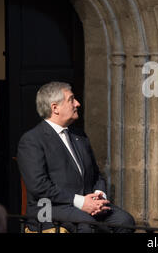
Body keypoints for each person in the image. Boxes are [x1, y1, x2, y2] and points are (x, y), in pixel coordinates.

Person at [17, 81, 135, 233]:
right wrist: (80, 202)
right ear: (55, 108)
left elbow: (96, 175)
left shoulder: (79, 135)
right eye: (71, 99)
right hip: (47, 208)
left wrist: (99, 195)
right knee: (86, 223)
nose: (77, 103)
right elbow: (39, 187)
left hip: (85, 205)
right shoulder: (32, 140)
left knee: (125, 221)